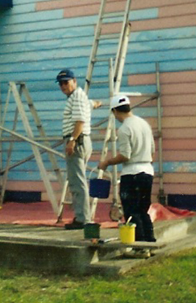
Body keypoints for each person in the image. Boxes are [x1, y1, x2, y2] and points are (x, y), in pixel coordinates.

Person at [98, 94, 156, 257]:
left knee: (132, 211)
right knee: (143, 210)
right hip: (147, 171)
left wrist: (107, 162)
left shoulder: (124, 129)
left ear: (115, 111)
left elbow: (125, 155)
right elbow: (152, 150)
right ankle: (150, 243)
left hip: (132, 174)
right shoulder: (144, 124)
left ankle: (140, 247)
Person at [57, 69, 101, 230]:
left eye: (66, 82)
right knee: (78, 180)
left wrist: (72, 140)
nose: (63, 86)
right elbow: (86, 106)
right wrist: (95, 103)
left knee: (77, 182)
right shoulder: (79, 97)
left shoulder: (76, 97)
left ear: (74, 81)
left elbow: (80, 121)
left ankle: (83, 219)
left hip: (77, 140)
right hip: (82, 141)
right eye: (61, 83)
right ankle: (82, 217)